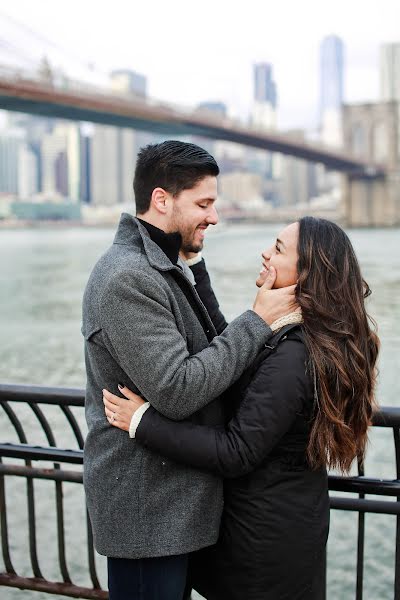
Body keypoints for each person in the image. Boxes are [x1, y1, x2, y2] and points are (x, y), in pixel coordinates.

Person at [103, 216, 380, 600]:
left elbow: (237, 451)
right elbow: (232, 346)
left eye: (279, 249)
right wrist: (196, 269)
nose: (265, 253)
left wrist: (142, 423)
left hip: (264, 547)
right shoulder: (299, 333)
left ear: (308, 272)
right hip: (283, 524)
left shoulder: (296, 355)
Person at [82, 140, 296, 600]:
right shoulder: (127, 277)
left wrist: (197, 268)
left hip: (174, 506)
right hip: (148, 514)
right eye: (203, 203)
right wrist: (259, 320)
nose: (214, 216)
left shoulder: (163, 266)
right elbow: (178, 389)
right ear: (162, 200)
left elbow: (217, 347)